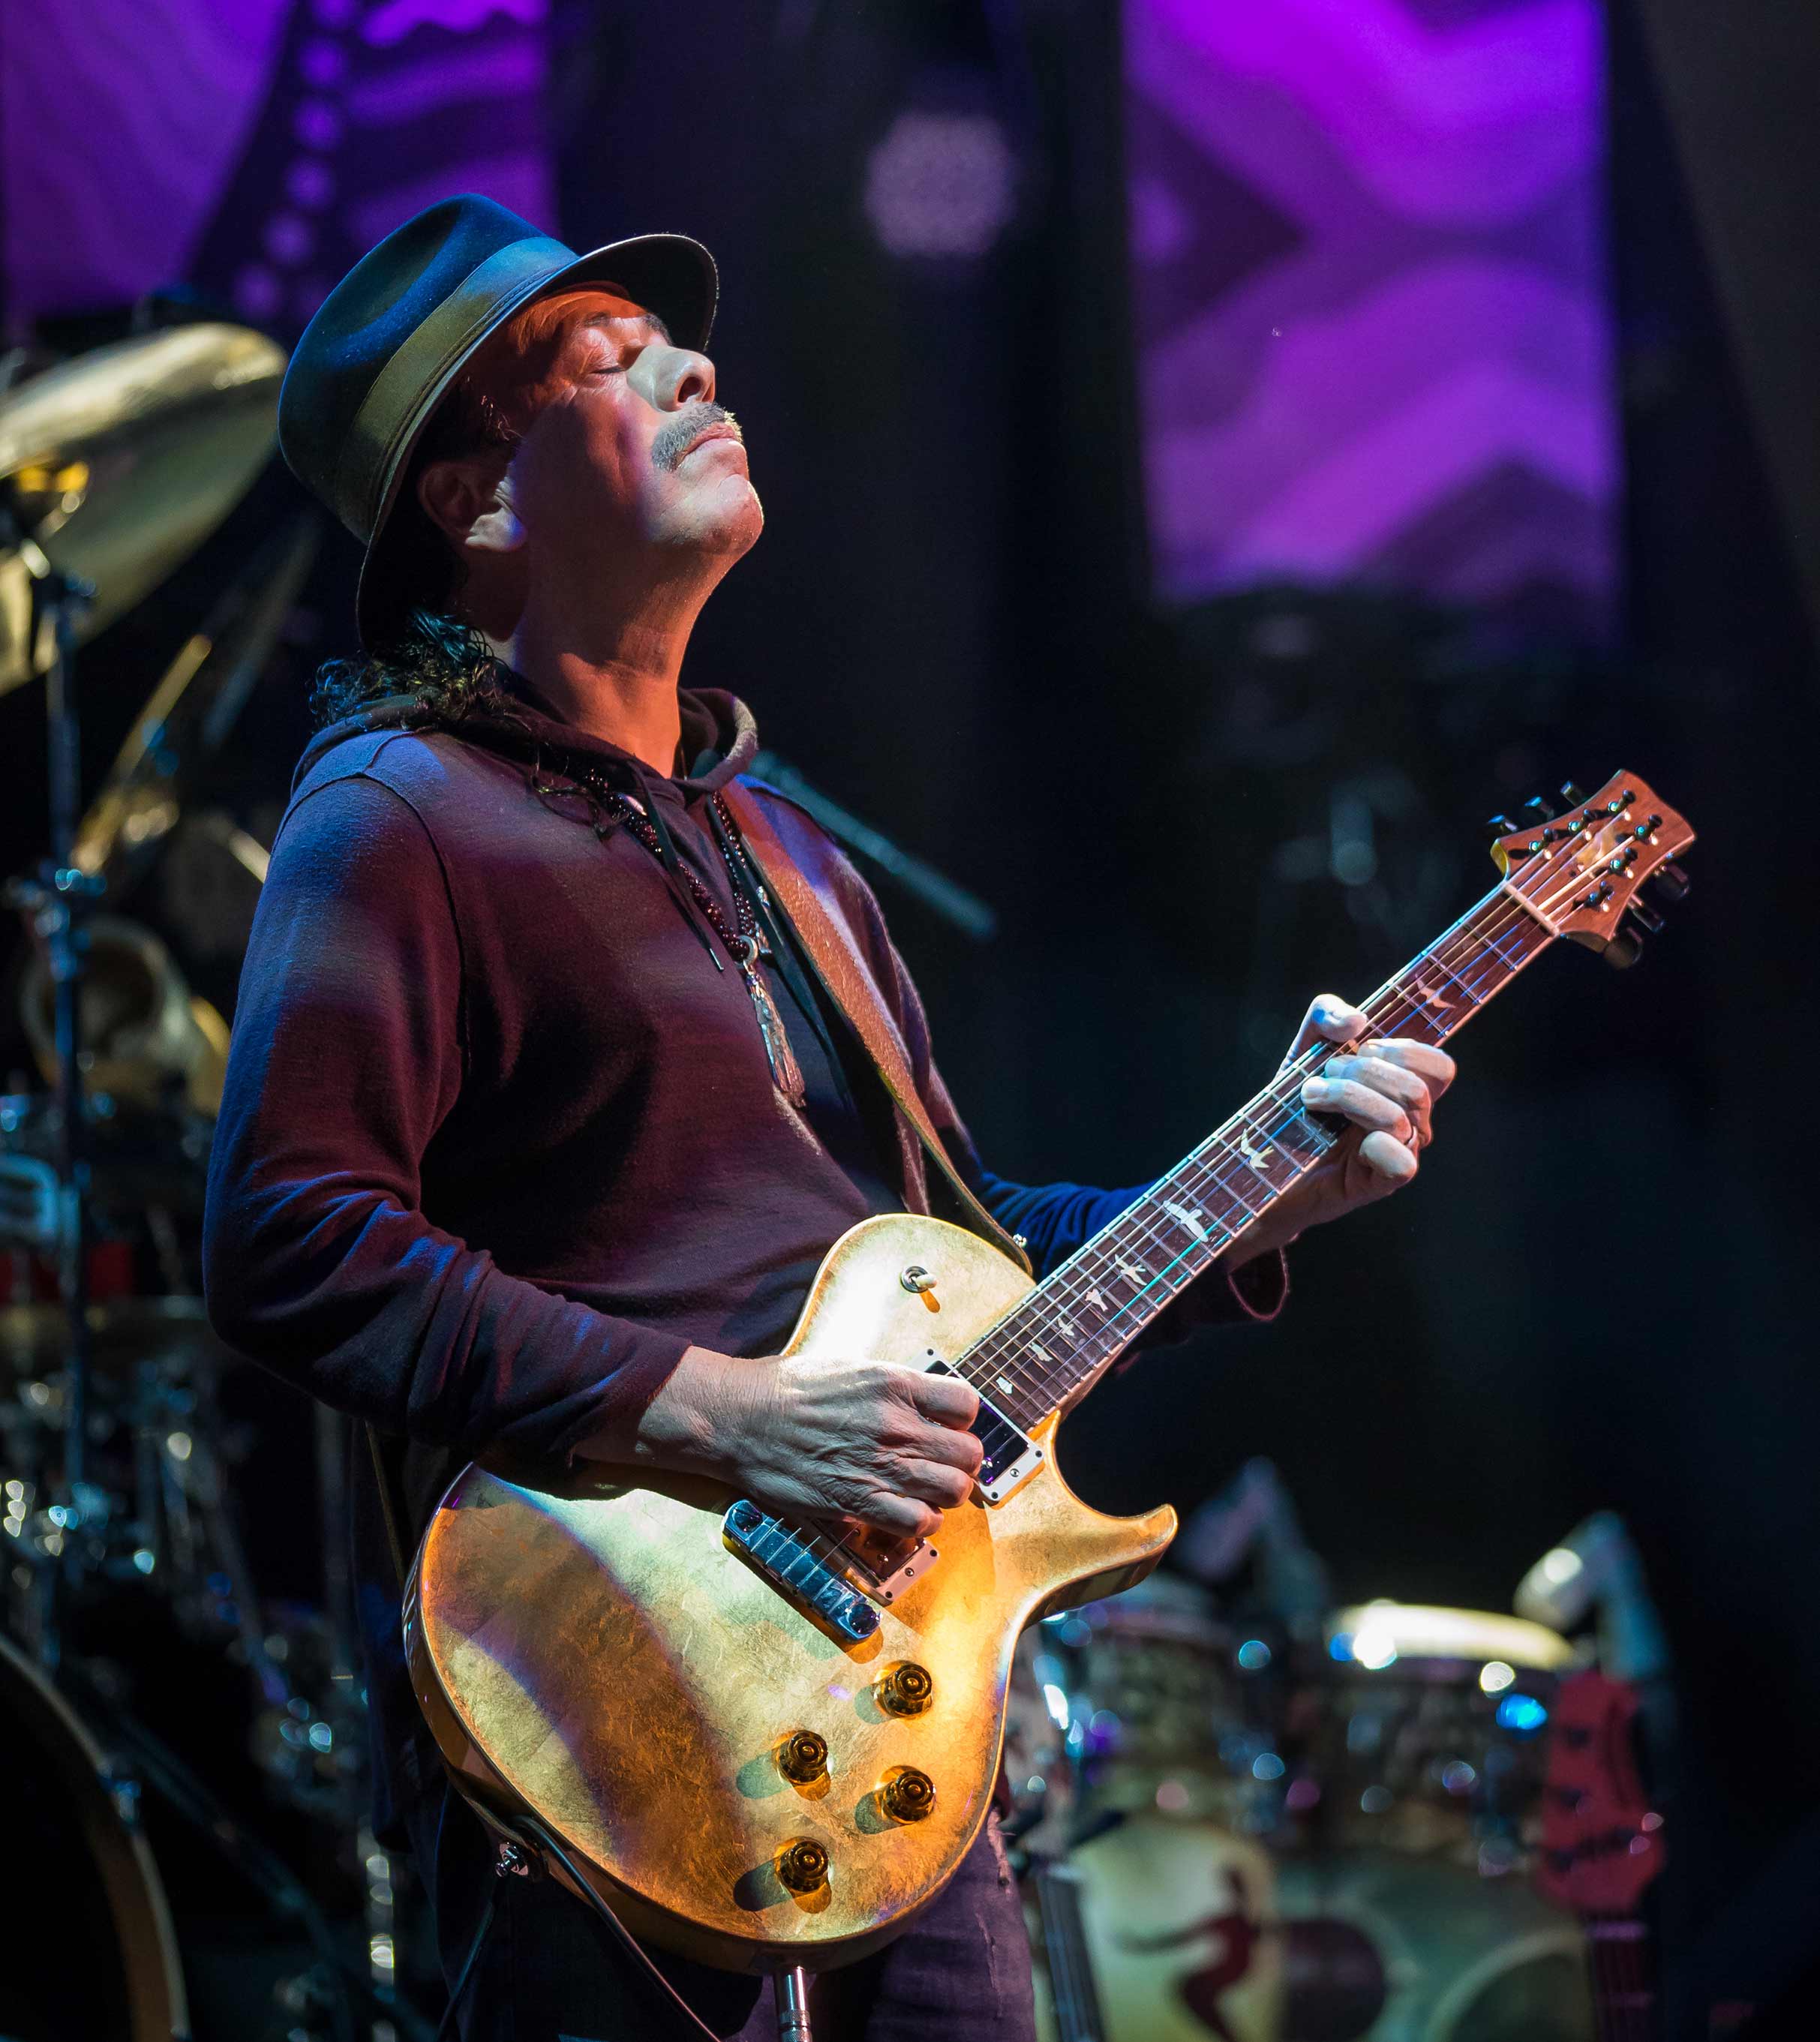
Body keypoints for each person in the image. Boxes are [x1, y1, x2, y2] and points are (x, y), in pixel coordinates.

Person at [203, 195, 1455, 2042]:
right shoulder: (397, 812)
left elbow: (971, 1250)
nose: (694, 368)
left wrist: (1265, 1187)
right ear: (481, 505)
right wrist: (725, 1414)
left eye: (678, 344)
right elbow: (286, 1235)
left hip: (891, 1722)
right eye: (609, 363)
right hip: (610, 1698)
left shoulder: (791, 856)